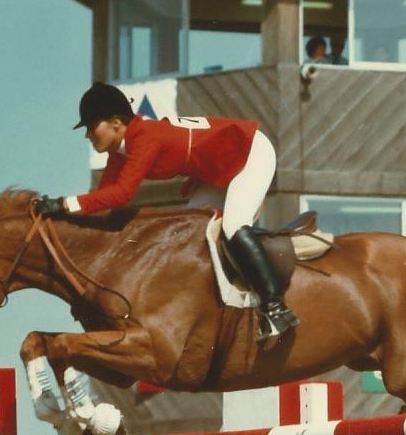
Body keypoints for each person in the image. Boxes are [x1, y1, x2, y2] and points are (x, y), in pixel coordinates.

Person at [33, 82, 298, 341]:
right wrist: (61, 215)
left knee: (233, 226)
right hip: (216, 168)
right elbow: (105, 203)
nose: (87, 135)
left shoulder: (145, 137)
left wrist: (65, 203)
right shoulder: (120, 152)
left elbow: (123, 193)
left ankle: (276, 308)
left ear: (116, 122)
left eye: (91, 126)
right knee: (187, 237)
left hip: (249, 154)